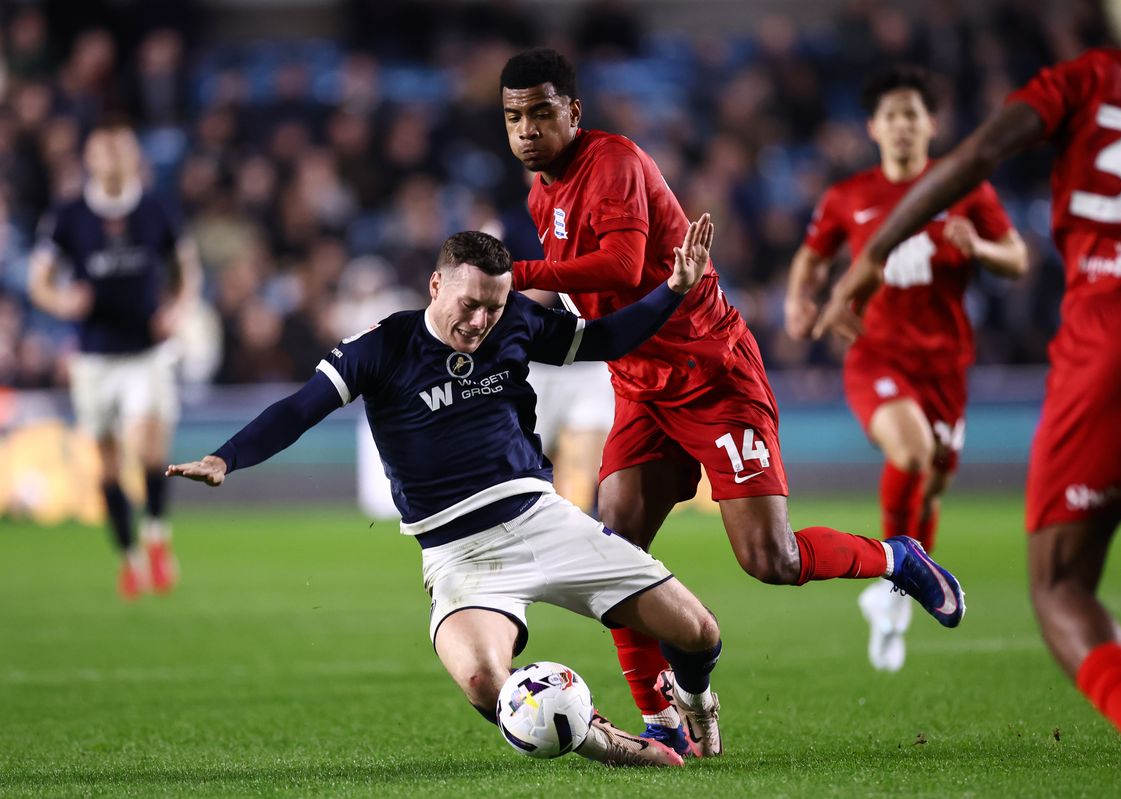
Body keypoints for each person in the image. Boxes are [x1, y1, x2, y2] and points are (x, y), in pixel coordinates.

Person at [499, 47, 966, 756]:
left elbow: (623, 267)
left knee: (769, 558)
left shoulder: (614, 162)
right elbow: (596, 297)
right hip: (641, 384)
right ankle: (665, 717)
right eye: (512, 117)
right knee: (612, 552)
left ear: (574, 111)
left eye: (539, 112)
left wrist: (509, 274)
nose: (526, 129)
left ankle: (896, 557)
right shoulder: (542, 194)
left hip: (713, 375)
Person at [813, 3, 1121, 795]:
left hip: (1110, 330)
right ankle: (898, 579)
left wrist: (878, 250)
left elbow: (984, 153)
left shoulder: (1093, 76)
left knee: (1061, 583)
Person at [168, 225, 723, 767]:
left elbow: (604, 339)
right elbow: (300, 407)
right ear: (436, 286)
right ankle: (612, 745)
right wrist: (227, 457)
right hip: (460, 555)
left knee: (699, 634)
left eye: (495, 306)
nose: (482, 320)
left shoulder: (518, 320)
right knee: (487, 683)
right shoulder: (384, 345)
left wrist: (674, 289)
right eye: (471, 303)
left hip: (545, 520)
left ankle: (695, 703)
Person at [787, 66, 1028, 672]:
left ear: (931, 123)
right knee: (913, 451)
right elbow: (809, 259)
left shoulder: (964, 189)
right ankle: (896, 571)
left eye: (912, 115)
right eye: (890, 116)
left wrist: (983, 248)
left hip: (945, 363)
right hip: (875, 356)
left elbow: (1019, 258)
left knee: (936, 479)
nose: (901, 126)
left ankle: (897, 591)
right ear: (873, 127)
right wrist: (798, 301)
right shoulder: (847, 197)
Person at [28, 120, 201, 600]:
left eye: (123, 149)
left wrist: (178, 307)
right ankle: (128, 557)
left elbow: (186, 268)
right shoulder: (68, 215)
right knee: (106, 465)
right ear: (90, 159)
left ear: (133, 157)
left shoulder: (155, 208)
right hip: (94, 357)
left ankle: (157, 537)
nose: (115, 158)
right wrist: (63, 302)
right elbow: (39, 281)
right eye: (105, 150)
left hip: (146, 351)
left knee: (148, 449)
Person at [522, 289, 614, 513]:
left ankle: (587, 527)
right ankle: (544, 525)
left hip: (592, 363)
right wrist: (551, 279)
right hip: (536, 366)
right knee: (536, 461)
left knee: (586, 460)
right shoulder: (513, 252)